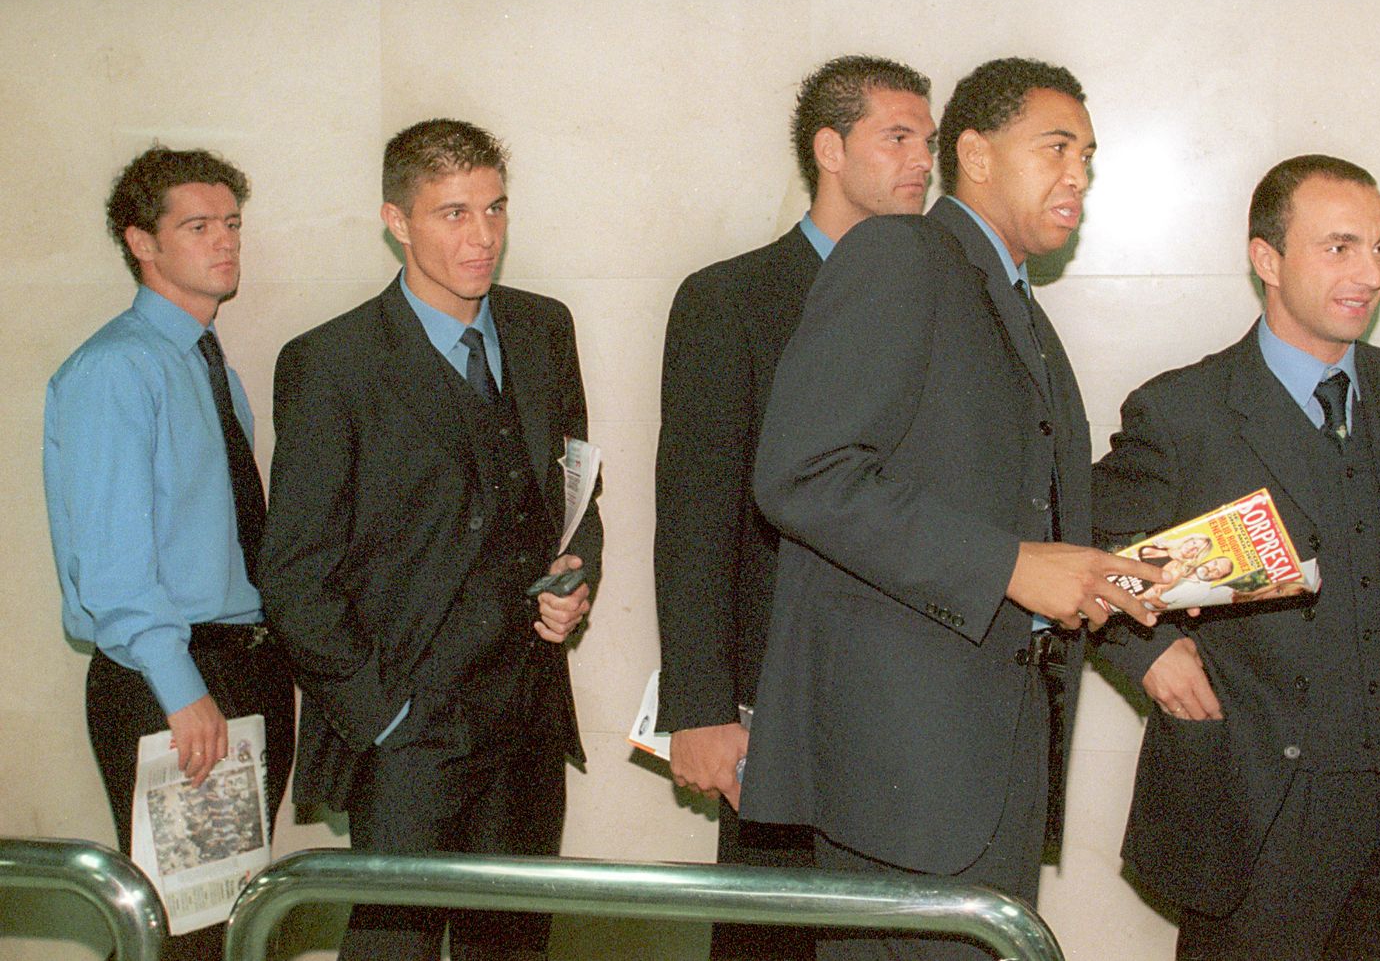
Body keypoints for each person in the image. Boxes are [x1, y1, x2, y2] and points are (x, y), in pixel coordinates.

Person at [741, 57, 1167, 961]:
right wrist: (1012, 566)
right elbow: (801, 471)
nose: (1079, 175)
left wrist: (1119, 572)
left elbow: (1013, 501)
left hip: (988, 772)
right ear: (972, 153)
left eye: (1089, 155)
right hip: (902, 780)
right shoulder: (897, 254)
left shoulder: (1020, 309)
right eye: (1057, 147)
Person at [1092, 154, 1380, 959]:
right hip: (1259, 809)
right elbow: (1091, 553)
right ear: (1266, 260)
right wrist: (1151, 651)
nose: (1368, 273)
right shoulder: (1183, 411)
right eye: (1339, 247)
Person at [259, 119, 601, 961]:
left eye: (494, 208)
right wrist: (387, 718)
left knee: (514, 947)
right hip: (411, 730)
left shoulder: (541, 328)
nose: (482, 236)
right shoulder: (331, 361)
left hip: (527, 719)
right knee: (392, 950)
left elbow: (578, 488)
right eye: (452, 213)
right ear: (397, 220)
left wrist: (577, 571)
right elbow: (294, 574)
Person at [654, 54, 935, 961]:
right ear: (829, 148)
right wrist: (699, 706)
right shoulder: (729, 300)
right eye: (897, 137)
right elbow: (694, 517)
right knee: (771, 939)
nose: (921, 161)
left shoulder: (943, 297)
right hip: (772, 697)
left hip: (908, 690)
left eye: (928, 142)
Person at [43, 145, 295, 960]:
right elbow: (112, 562)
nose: (224, 241)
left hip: (239, 666)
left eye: (231, 224)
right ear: (142, 243)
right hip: (173, 677)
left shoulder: (205, 362)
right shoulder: (117, 368)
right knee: (184, 928)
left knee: (222, 923)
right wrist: (182, 689)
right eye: (197, 226)